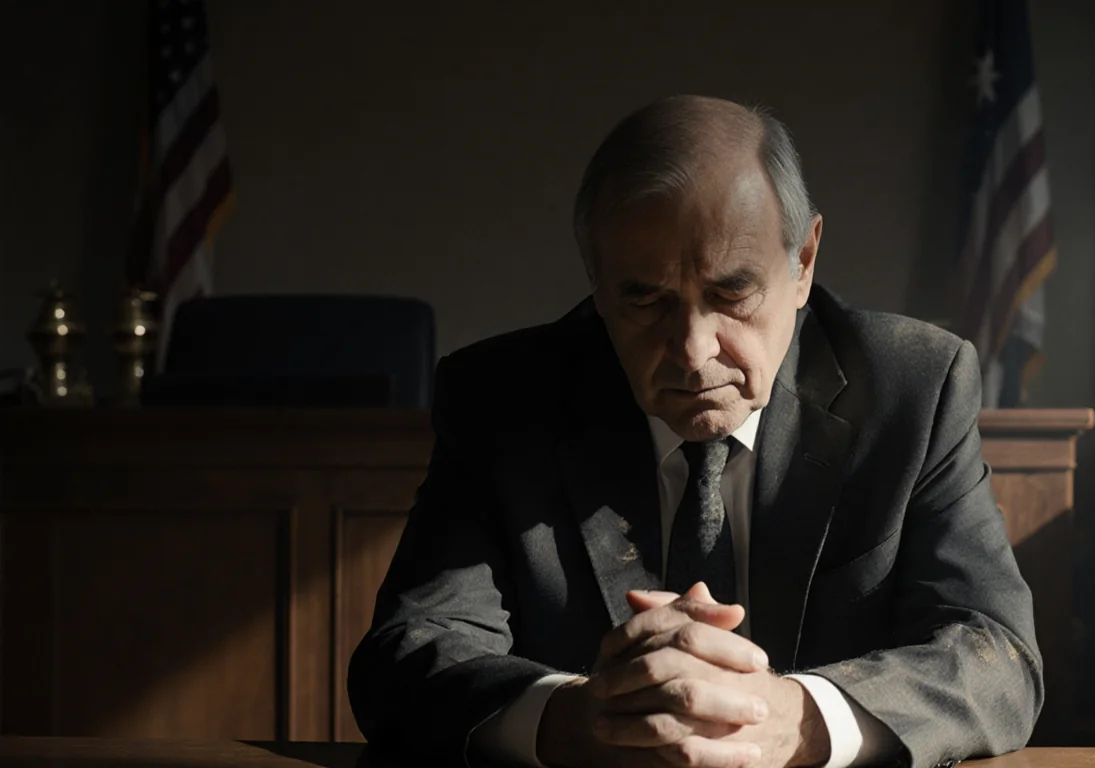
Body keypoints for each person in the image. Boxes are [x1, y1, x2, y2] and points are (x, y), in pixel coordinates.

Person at [348, 95, 1041, 768]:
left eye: (731, 293)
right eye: (645, 299)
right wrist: (572, 721)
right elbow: (409, 653)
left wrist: (794, 720)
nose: (693, 351)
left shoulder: (914, 387)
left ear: (803, 262)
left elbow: (997, 653)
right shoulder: (501, 399)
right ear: (595, 277)